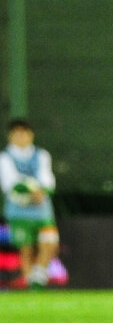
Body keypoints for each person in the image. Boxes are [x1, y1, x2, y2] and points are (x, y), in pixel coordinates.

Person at [0, 118, 61, 289]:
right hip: (18, 212)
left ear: (30, 135)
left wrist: (40, 191)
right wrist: (29, 190)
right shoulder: (5, 157)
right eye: (17, 134)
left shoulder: (41, 155)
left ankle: (39, 276)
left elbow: (47, 179)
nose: (21, 137)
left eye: (24, 133)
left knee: (50, 241)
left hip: (42, 210)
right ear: (10, 136)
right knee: (25, 248)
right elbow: (10, 183)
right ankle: (31, 286)